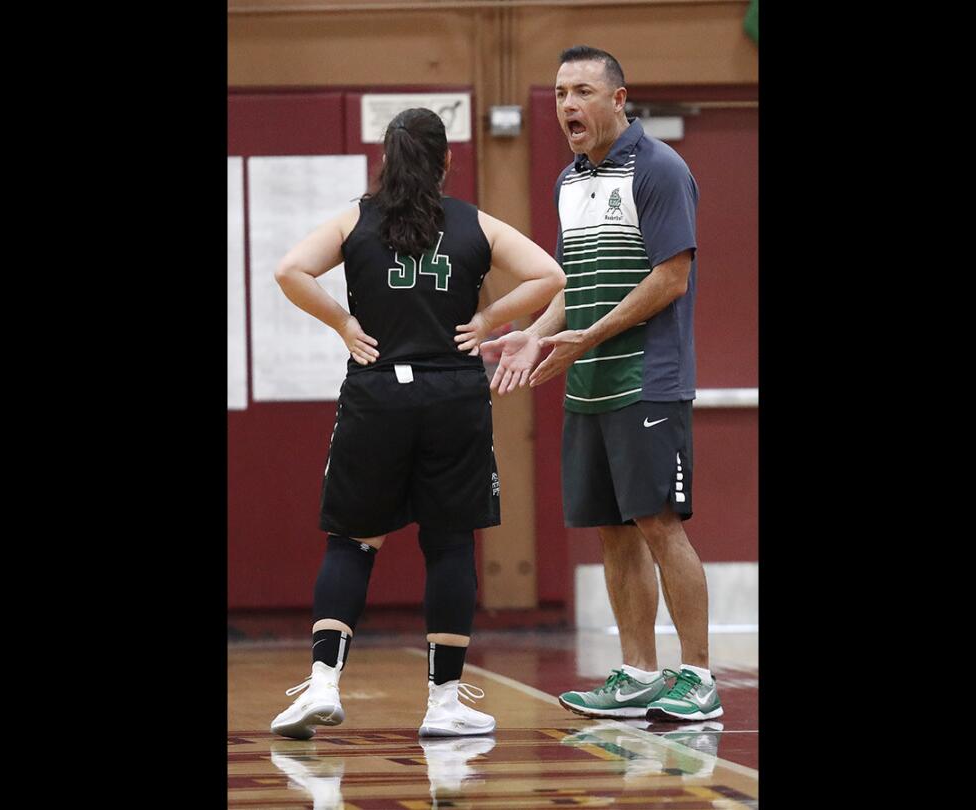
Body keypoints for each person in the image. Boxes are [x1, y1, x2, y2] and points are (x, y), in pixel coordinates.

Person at [269, 107, 565, 740]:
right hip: (453, 394)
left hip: (377, 394)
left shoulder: (357, 218)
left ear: (386, 159)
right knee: (450, 544)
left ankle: (322, 684)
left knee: (353, 539)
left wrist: (344, 325)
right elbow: (550, 275)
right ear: (446, 162)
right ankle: (445, 702)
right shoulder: (473, 223)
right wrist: (489, 322)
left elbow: (289, 269)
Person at [483, 46, 721, 722]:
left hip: (648, 379)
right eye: (561, 93)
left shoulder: (661, 170)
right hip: (587, 385)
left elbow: (670, 278)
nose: (568, 106)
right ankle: (638, 672)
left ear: (619, 99)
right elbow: (575, 284)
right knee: (613, 533)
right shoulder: (569, 181)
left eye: (584, 91)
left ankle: (697, 677)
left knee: (658, 524)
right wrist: (537, 332)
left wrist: (588, 337)